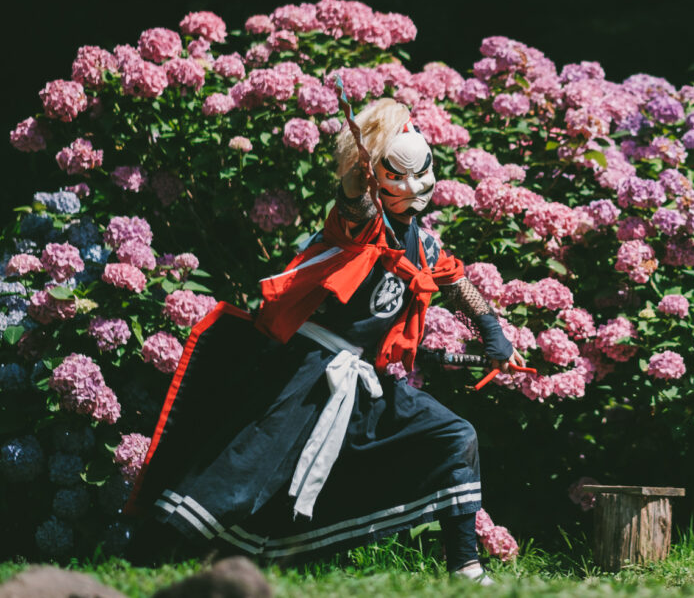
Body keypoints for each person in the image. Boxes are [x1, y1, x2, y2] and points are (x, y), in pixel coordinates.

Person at [129, 98, 524, 584]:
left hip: (362, 382)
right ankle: (148, 554)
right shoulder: (360, 226)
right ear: (380, 177)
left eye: (421, 173)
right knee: (238, 477)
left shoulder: (427, 245)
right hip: (304, 375)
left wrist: (494, 336)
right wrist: (355, 180)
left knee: (453, 435)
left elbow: (457, 282)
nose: (417, 186)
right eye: (400, 175)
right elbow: (352, 206)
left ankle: (465, 567)